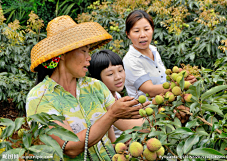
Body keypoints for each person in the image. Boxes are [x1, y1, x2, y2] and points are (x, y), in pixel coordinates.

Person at [26, 15, 147, 161]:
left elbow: (126, 123)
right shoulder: (39, 97)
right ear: (63, 54)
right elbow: (70, 147)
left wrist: (161, 116)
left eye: (88, 51)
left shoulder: (95, 86)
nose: (89, 57)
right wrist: (112, 115)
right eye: (83, 51)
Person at [123, 10, 197, 122]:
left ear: (152, 30)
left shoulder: (153, 50)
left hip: (166, 107)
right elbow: (150, 90)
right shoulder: (130, 60)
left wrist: (183, 79)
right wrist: (180, 84)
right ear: (128, 34)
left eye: (147, 29)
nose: (142, 35)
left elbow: (163, 81)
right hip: (147, 117)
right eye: (136, 31)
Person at [88, 49, 145, 142]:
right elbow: (128, 126)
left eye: (120, 70)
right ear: (97, 79)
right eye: (110, 74)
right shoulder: (100, 102)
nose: (118, 77)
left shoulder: (117, 96)